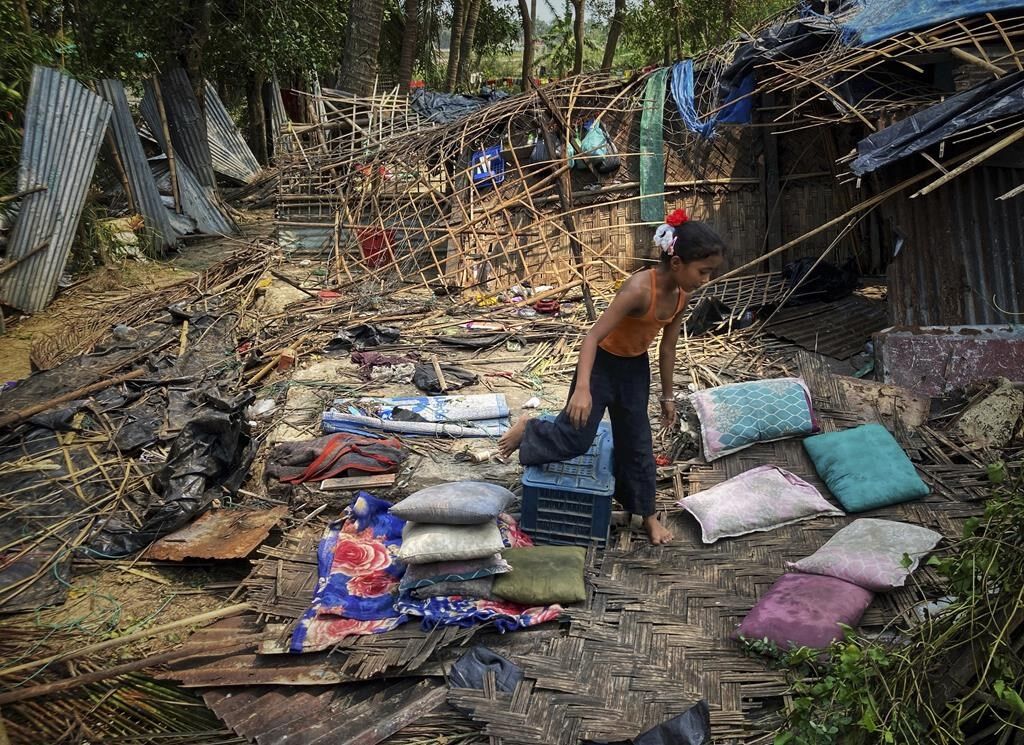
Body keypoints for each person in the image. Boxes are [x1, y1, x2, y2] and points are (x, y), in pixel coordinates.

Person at [498, 208, 726, 545]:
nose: (705, 279)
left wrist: (666, 397)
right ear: (677, 263)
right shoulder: (638, 289)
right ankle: (531, 428)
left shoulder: (682, 296)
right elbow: (591, 338)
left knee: (637, 445)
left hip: (634, 370)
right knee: (576, 439)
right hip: (600, 365)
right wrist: (582, 389)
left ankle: (647, 517)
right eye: (702, 271)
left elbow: (667, 349)